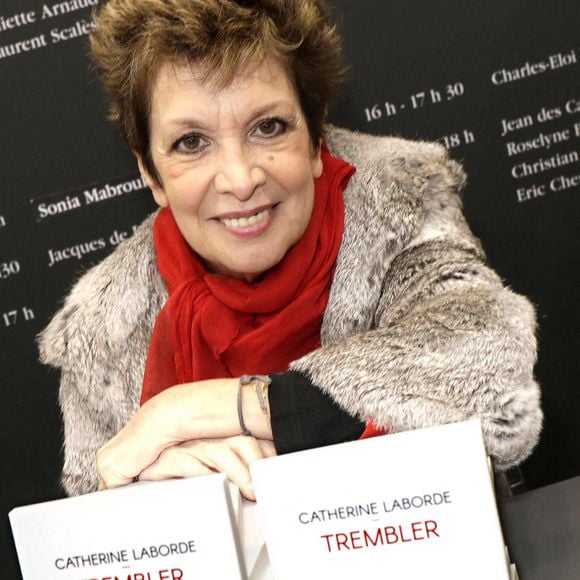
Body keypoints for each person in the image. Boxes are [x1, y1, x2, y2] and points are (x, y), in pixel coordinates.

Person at [39, 0, 542, 500]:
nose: (240, 179)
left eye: (268, 127)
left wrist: (203, 410)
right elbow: (107, 542)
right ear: (150, 172)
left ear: (314, 132)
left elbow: (490, 376)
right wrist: (128, 493)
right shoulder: (104, 327)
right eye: (191, 142)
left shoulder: (399, 200)